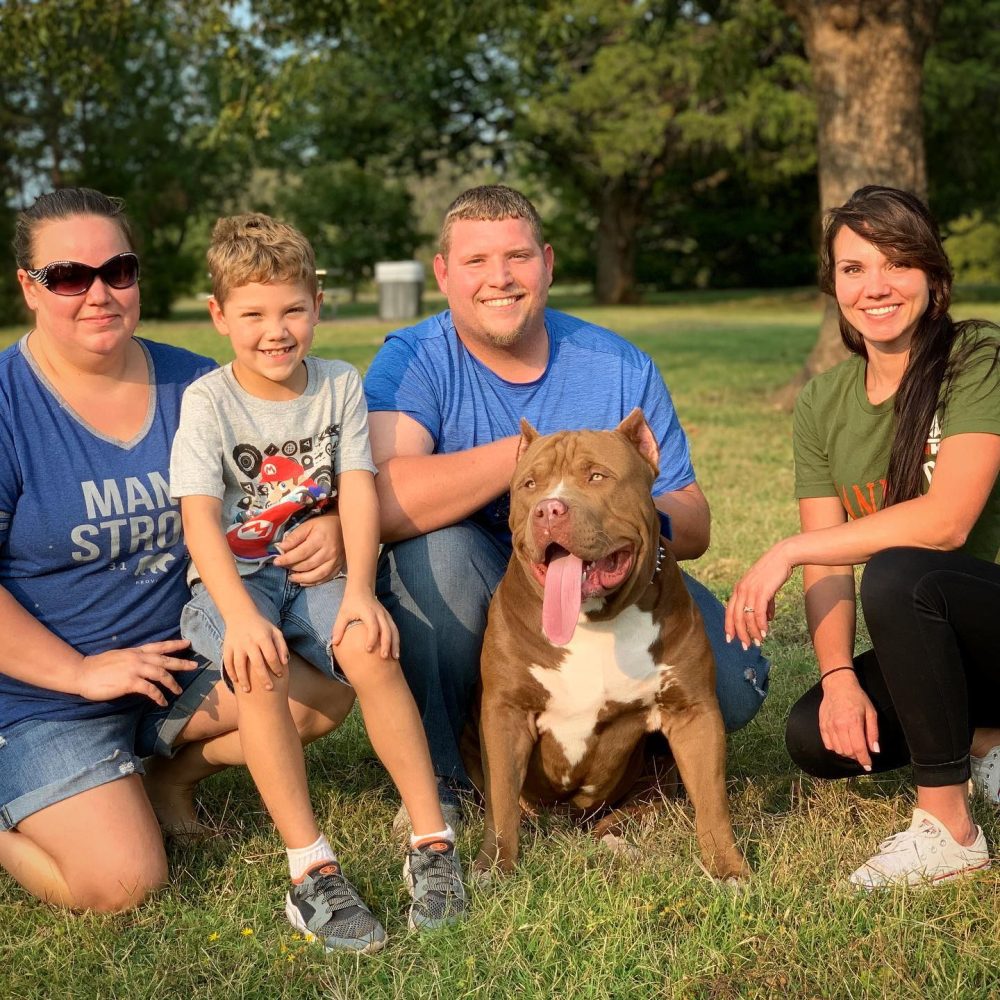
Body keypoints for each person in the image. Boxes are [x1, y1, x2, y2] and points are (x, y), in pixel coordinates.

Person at [364, 184, 770, 824]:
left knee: (734, 682)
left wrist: (622, 527)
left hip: (606, 579)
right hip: (483, 584)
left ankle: (625, 767)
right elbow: (386, 504)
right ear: (443, 274)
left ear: (548, 262)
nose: (500, 279)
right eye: (475, 262)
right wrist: (538, 461)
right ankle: (445, 775)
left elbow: (692, 517)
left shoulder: (618, 366)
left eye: (518, 257)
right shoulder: (413, 358)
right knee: (432, 558)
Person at [0, 189, 355, 914]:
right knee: (125, 884)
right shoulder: (7, 405)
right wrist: (78, 671)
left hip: (173, 665)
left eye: (118, 270)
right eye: (69, 276)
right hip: (44, 697)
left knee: (329, 693)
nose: (98, 293)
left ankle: (164, 776)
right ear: (28, 288)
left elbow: (298, 481)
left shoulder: (200, 385)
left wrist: (339, 520)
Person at [169, 213, 467, 951]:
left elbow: (359, 489)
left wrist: (362, 590)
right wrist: (239, 618)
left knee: (371, 649)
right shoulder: (208, 401)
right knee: (259, 666)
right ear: (219, 317)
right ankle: (310, 871)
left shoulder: (338, 383)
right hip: (234, 584)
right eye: (254, 315)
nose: (277, 330)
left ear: (318, 306)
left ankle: (432, 841)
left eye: (293, 309)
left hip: (318, 572)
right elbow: (201, 521)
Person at [725, 185, 1000, 889]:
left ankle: (948, 831)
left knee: (902, 574)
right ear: (833, 284)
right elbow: (829, 563)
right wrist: (840, 677)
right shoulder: (823, 401)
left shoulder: (979, 357)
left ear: (933, 278)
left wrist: (788, 548)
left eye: (897, 263)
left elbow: (948, 523)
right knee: (815, 735)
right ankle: (985, 740)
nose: (875, 286)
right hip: (952, 640)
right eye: (853, 269)